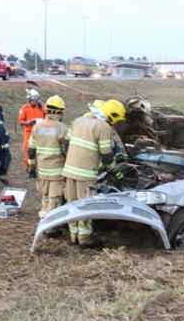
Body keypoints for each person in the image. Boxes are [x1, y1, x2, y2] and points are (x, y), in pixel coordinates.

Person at [62, 99, 126, 246]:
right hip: (86, 174)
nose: (115, 124)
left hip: (69, 170)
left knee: (72, 203)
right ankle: (85, 239)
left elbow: (66, 143)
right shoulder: (104, 127)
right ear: (112, 116)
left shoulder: (78, 120)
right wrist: (114, 170)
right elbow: (106, 155)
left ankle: (73, 236)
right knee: (86, 205)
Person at [28, 95, 69, 224]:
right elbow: (68, 150)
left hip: (42, 169)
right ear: (60, 111)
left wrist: (32, 166)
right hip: (57, 171)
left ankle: (43, 218)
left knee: (44, 196)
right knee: (54, 198)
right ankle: (51, 226)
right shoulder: (62, 128)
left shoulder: (37, 127)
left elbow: (31, 149)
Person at [18, 89, 46, 173]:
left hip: (40, 132)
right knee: (27, 150)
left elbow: (47, 117)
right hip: (29, 132)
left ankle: (38, 166)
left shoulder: (42, 107)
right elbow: (20, 122)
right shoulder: (24, 108)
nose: (36, 102)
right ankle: (29, 167)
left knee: (40, 150)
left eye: (37, 100)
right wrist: (29, 122)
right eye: (34, 100)